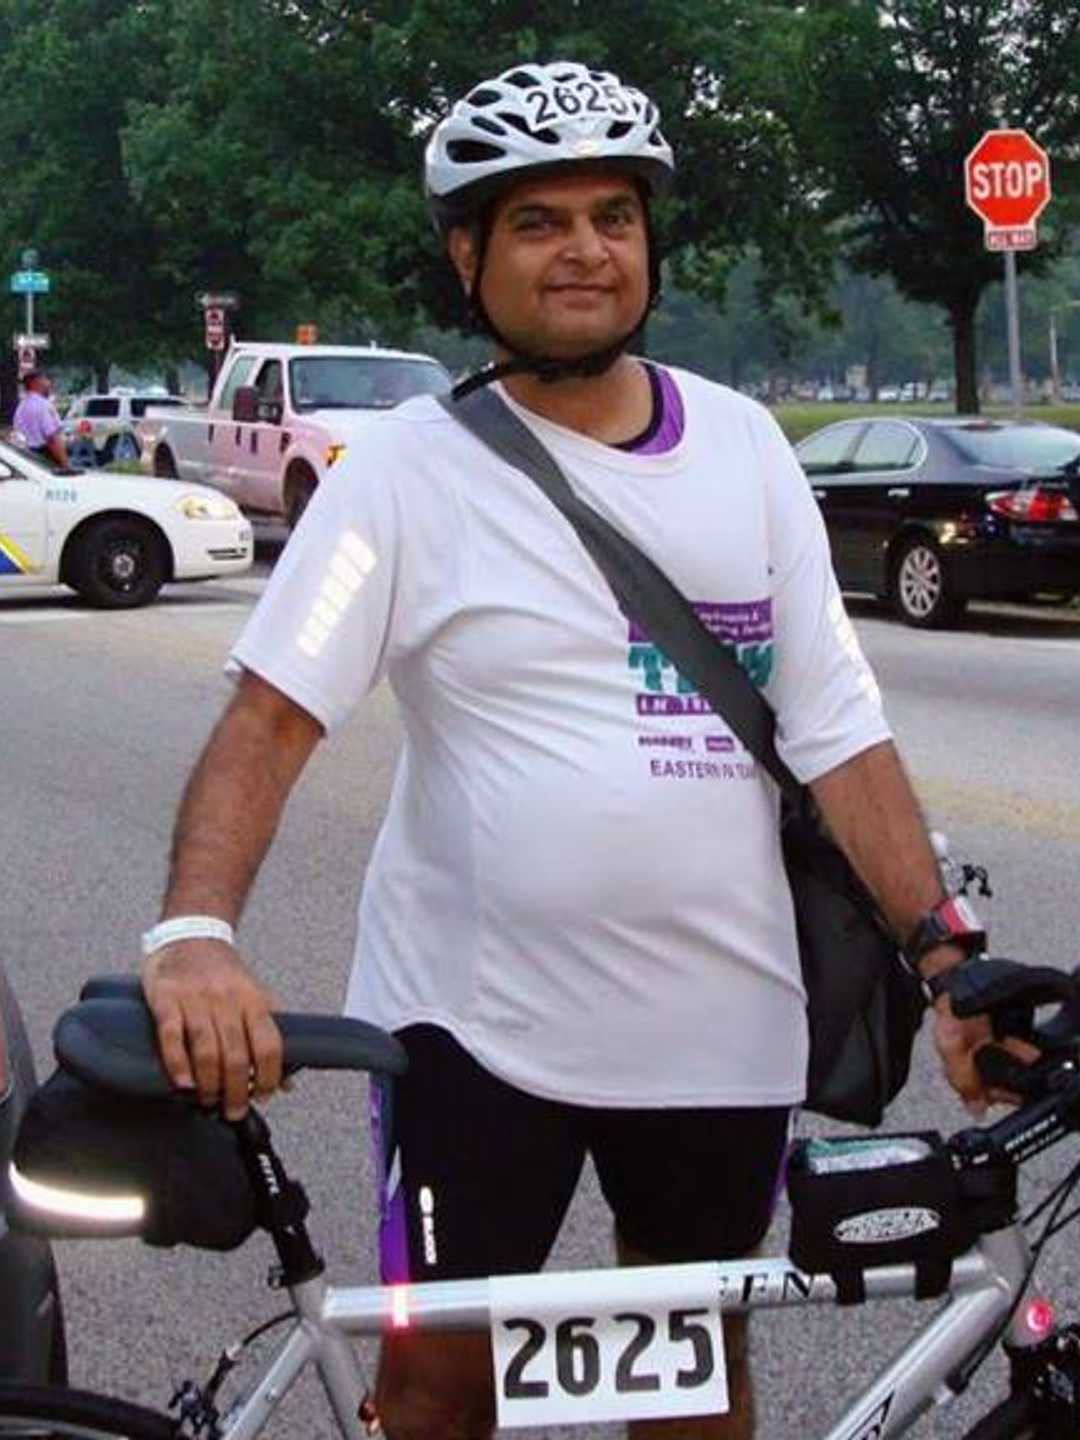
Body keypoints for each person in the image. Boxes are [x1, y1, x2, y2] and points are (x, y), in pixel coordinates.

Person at [141, 62, 1010, 1440]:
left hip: (719, 1038)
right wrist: (194, 931)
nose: (587, 248)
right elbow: (268, 718)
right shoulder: (404, 477)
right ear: (467, 255)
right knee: (437, 1390)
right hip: (473, 1042)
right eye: (538, 221)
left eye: (614, 213)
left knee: (692, 1393)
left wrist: (949, 960)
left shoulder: (742, 451)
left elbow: (842, 737)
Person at [12, 369, 68, 468]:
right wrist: (65, 465)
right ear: (36, 383)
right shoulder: (43, 405)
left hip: (27, 458)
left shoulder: (21, 407)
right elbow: (52, 439)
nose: (49, 383)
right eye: (46, 379)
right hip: (46, 457)